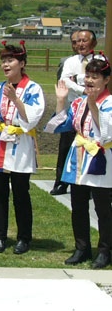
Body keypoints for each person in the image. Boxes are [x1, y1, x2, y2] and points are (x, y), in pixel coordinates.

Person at [45, 54, 112, 269]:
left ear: (106, 80)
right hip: (79, 158)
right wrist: (61, 100)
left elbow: (106, 133)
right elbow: (60, 126)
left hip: (101, 158)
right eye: (88, 76)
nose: (90, 80)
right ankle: (81, 248)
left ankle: (105, 250)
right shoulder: (79, 102)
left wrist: (93, 105)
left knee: (103, 208)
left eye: (95, 77)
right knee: (79, 205)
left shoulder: (109, 102)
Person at [0, 41, 45, 255]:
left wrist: (16, 99)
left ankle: (24, 238)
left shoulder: (33, 88)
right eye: (3, 61)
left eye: (10, 61)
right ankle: (0, 236)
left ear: (22, 63)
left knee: (20, 193)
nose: (6, 65)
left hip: (21, 143)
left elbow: (31, 119)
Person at [51, 30, 98, 195]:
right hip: (74, 107)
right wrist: (82, 89)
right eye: (78, 41)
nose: (80, 44)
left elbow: (99, 80)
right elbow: (64, 80)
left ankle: (90, 184)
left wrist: (76, 78)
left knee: (92, 144)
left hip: (93, 108)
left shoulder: (100, 60)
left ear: (93, 43)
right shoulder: (70, 61)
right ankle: (61, 182)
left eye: (84, 41)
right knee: (66, 145)